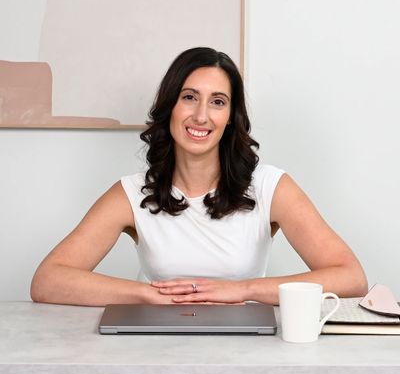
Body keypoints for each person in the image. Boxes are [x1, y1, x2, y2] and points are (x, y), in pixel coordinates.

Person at [30, 47, 368, 307]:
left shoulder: (269, 187)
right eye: (189, 97)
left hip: (245, 348)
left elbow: (351, 277)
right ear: (171, 107)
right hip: (156, 347)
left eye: (217, 102)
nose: (201, 115)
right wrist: (147, 295)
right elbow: (47, 281)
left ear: (231, 119)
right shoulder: (131, 193)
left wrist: (242, 291)